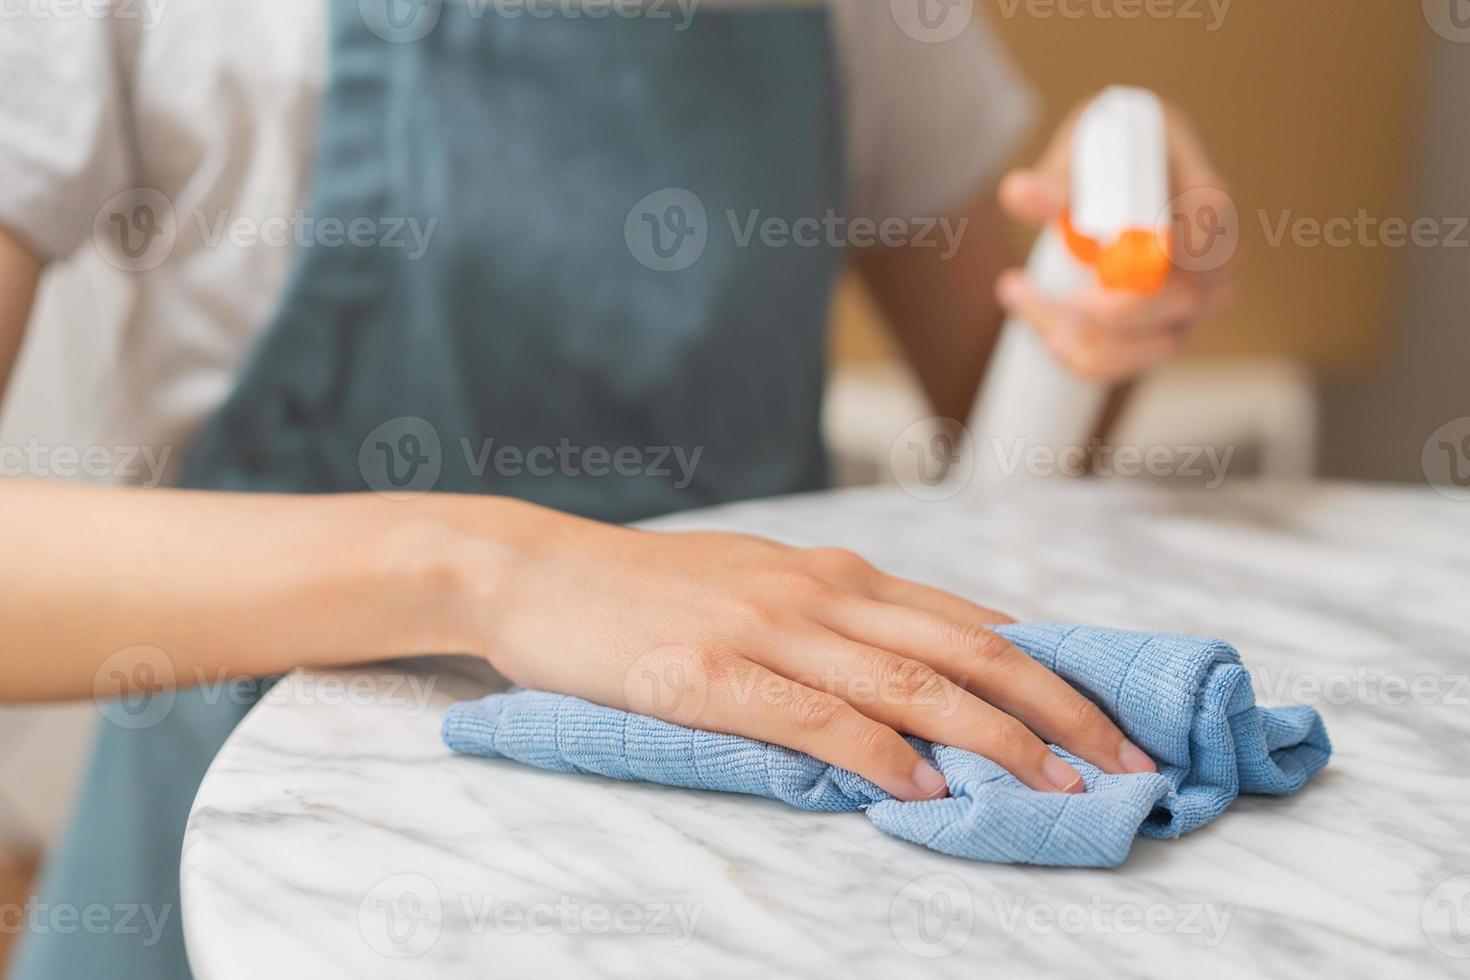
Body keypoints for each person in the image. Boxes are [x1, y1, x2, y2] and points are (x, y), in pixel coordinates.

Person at [0, 1, 1227, 976]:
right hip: (238, 855)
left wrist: (1100, 274)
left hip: (741, 867)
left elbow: (1011, 455)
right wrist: (490, 570)